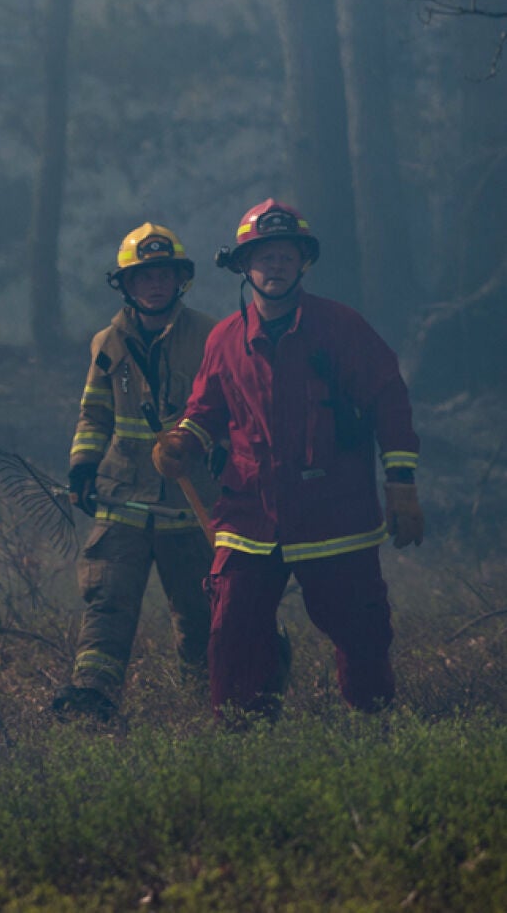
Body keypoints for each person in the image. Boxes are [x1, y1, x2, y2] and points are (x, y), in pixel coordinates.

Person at [154, 199, 425, 717]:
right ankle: (240, 734)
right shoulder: (225, 339)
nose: (274, 267)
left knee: (360, 626)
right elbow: (203, 409)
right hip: (250, 513)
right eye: (264, 257)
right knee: (232, 625)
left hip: (335, 511)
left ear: (302, 263)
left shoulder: (342, 328)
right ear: (242, 266)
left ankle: (372, 724)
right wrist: (181, 443)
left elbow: (389, 399)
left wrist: (401, 484)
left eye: (285, 257)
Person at [53, 224, 218, 721]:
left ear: (179, 280)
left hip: (189, 505)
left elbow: (226, 411)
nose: (154, 284)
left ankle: (209, 703)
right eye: (143, 276)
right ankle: (92, 696)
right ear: (125, 284)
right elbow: (95, 413)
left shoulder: (212, 337)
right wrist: (83, 466)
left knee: (200, 616)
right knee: (107, 602)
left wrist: (204, 448)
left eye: (163, 274)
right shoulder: (107, 342)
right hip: (122, 499)